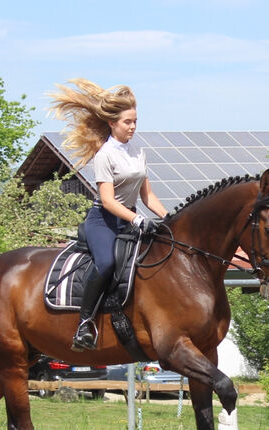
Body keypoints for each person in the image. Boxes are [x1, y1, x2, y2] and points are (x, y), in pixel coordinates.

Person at [48, 79, 168, 351]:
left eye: (135, 121)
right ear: (113, 124)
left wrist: (171, 217)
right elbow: (108, 200)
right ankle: (85, 324)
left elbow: (148, 196)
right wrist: (136, 219)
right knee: (106, 264)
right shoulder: (105, 155)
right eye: (128, 122)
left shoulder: (139, 151)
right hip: (104, 222)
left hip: (129, 220)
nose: (133, 127)